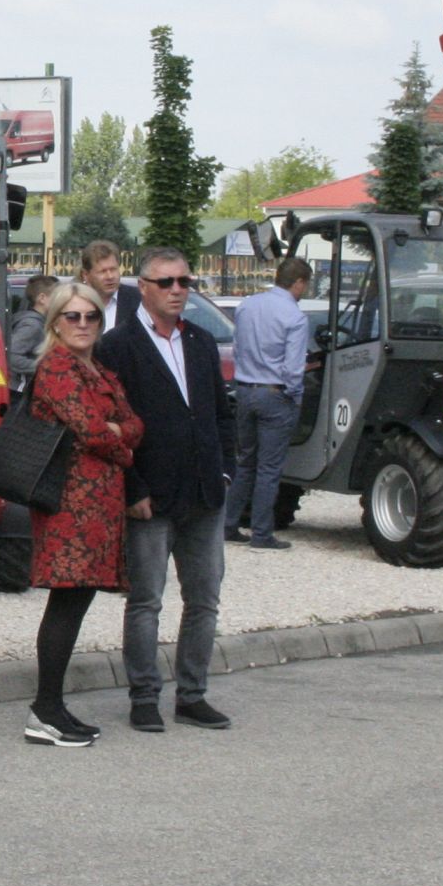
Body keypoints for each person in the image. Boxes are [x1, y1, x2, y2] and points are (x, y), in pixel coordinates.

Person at [96, 245, 236, 731]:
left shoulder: (200, 341)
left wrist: (225, 470)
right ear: (143, 288)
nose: (178, 291)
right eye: (166, 282)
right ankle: (144, 697)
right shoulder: (118, 346)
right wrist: (132, 488)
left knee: (204, 599)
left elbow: (220, 413)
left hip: (204, 494)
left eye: (184, 282)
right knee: (146, 601)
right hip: (150, 498)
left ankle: (192, 695)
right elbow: (110, 426)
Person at [22, 281, 141, 748]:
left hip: (99, 507)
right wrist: (122, 443)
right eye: (72, 316)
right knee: (67, 600)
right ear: (55, 321)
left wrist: (118, 433)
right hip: (69, 506)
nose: (83, 324)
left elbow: (135, 424)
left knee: (76, 601)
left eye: (91, 315)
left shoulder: (99, 370)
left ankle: (51, 705)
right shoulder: (57, 368)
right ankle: (44, 709)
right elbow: (94, 430)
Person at [226, 257, 313, 548]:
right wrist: (295, 396)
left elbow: (238, 348)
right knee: (269, 468)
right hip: (275, 394)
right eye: (305, 285)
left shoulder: (247, 306)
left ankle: (228, 524)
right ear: (298, 282)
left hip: (245, 390)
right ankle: (262, 533)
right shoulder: (295, 317)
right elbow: (293, 367)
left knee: (245, 462)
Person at [8, 275, 60, 387]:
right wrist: (46, 367)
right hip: (20, 391)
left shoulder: (40, 322)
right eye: (57, 297)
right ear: (42, 298)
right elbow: (11, 356)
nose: (61, 302)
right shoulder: (32, 325)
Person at [79, 241, 125, 332]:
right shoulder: (75, 301)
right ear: (86, 275)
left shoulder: (137, 300)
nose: (110, 276)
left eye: (113, 269)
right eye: (102, 271)